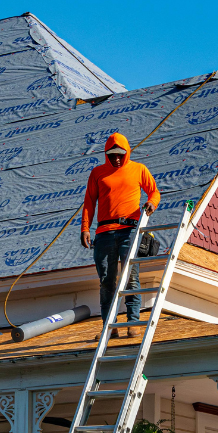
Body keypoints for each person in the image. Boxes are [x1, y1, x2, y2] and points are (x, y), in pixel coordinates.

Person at [80, 133, 160, 339]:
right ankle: (109, 326)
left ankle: (133, 323)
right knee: (107, 280)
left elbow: (154, 192)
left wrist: (151, 204)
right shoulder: (98, 173)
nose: (116, 159)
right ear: (107, 155)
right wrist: (85, 228)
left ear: (126, 153)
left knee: (130, 277)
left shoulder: (138, 169)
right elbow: (89, 202)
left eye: (120, 155)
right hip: (104, 233)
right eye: (112, 155)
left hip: (129, 230)